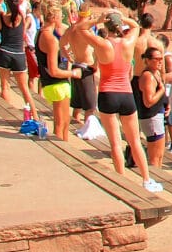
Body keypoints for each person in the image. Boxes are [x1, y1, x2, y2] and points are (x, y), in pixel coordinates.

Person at [69, 10, 162, 192]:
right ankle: (146, 179)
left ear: (106, 26)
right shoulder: (128, 42)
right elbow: (136, 25)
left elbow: (81, 28)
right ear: (119, 26)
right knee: (135, 140)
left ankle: (122, 181)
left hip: (107, 93)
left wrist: (99, 19)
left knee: (115, 144)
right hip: (126, 94)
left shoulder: (103, 44)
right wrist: (121, 18)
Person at [36, 4, 79, 141]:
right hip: (56, 83)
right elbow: (54, 70)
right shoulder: (51, 39)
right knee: (62, 124)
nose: (62, 19)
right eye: (61, 17)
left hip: (51, 83)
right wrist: (73, 74)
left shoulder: (41, 32)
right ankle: (63, 150)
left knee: (64, 122)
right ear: (54, 18)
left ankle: (64, 146)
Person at [0, 0, 33, 112]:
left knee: (5, 86)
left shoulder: (2, 18)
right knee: (24, 89)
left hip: (4, 52)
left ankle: (8, 112)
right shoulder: (22, 17)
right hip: (19, 54)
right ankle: (34, 115)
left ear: (7, 4)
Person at [136, 47, 169, 171]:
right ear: (148, 60)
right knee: (155, 156)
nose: (160, 61)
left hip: (157, 115)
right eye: (157, 59)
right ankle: (153, 181)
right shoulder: (148, 76)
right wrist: (161, 90)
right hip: (151, 117)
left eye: (161, 59)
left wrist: (166, 103)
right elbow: (148, 101)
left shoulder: (156, 73)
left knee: (160, 154)